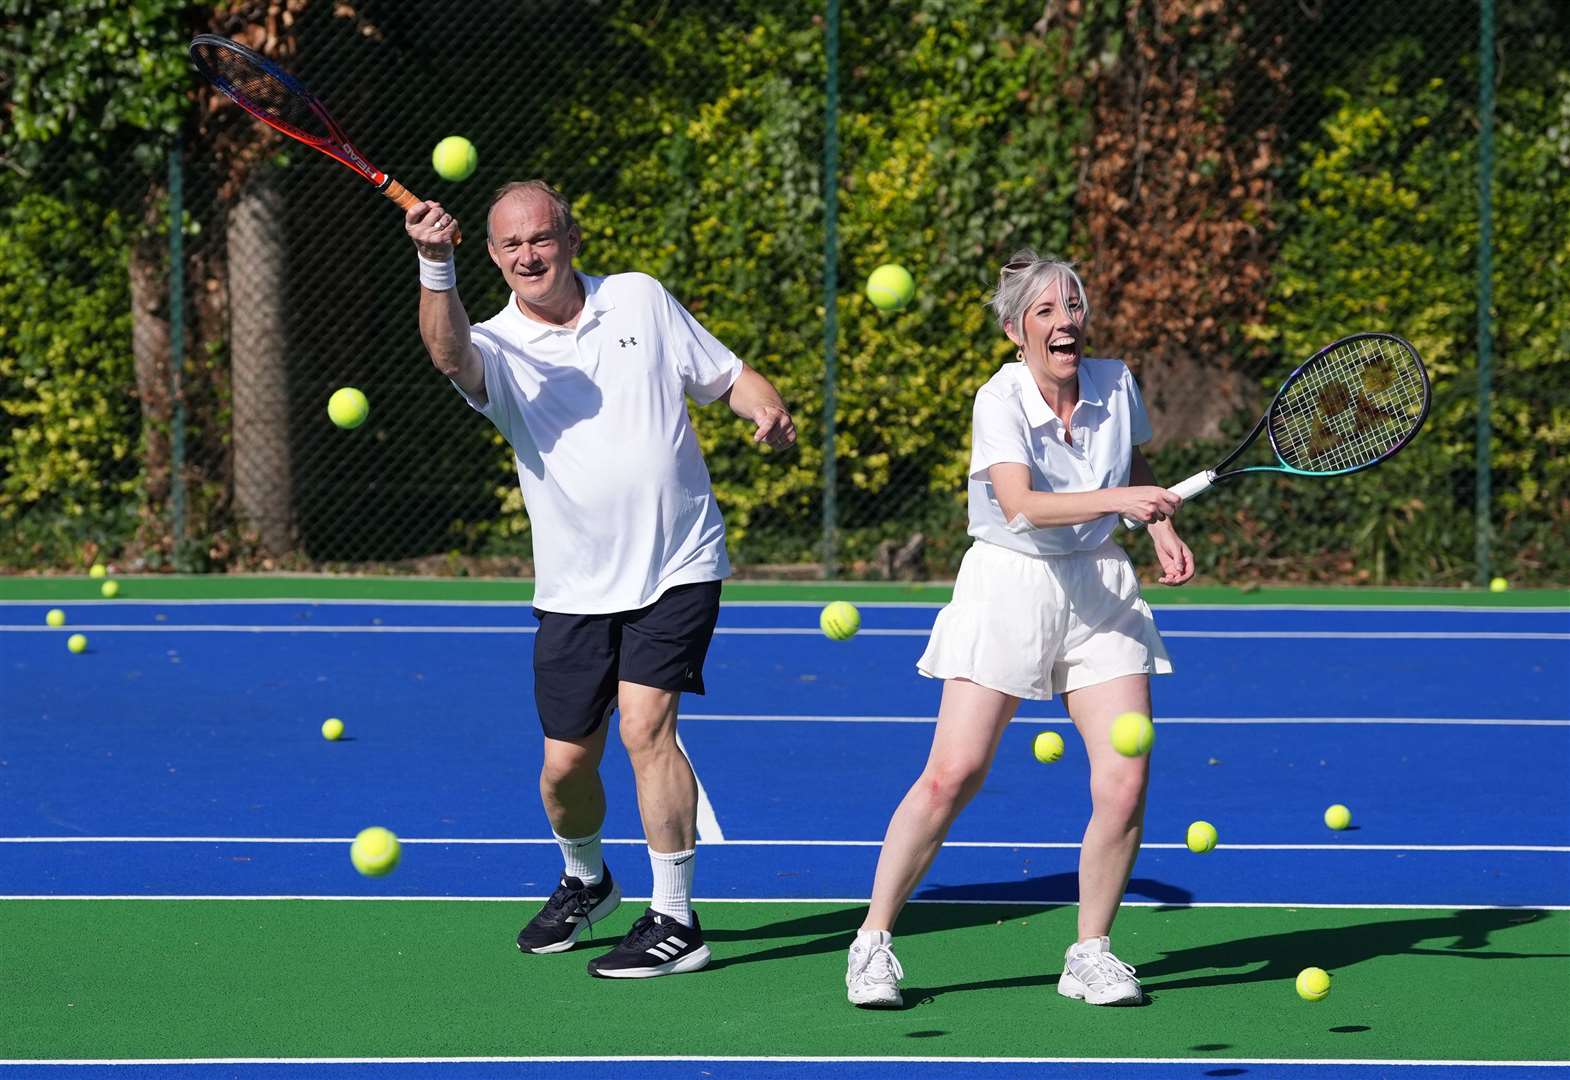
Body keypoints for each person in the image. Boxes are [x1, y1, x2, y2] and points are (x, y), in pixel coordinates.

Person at [405, 180, 796, 979]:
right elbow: (449, 355)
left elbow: (728, 376)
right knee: (563, 770)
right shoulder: (497, 345)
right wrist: (432, 265)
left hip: (677, 563)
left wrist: (767, 409)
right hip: (576, 587)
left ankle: (676, 919)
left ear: (570, 238)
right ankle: (588, 877)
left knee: (645, 727)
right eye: (510, 247)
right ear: (492, 257)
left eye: (540, 239)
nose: (528, 256)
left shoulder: (640, 300)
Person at [843, 249, 1195, 1008]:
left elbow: (1125, 478)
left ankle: (1090, 952)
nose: (1064, 322)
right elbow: (1023, 504)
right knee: (952, 775)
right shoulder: (997, 399)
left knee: (1125, 780)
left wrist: (1156, 529)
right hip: (1008, 583)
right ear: (1016, 330)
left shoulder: (1116, 383)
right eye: (1045, 311)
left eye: (1072, 307)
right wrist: (1123, 498)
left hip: (1100, 588)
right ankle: (872, 942)